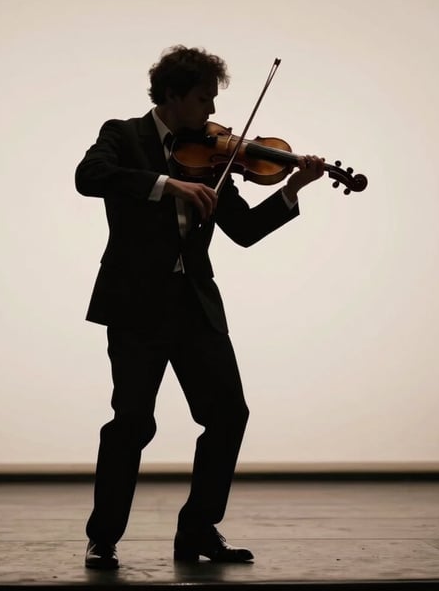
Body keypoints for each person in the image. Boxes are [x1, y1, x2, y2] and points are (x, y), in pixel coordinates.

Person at [75, 45, 325, 569]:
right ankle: (103, 537)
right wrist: (168, 185)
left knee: (229, 414)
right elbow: (88, 177)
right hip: (136, 306)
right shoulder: (123, 135)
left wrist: (293, 188)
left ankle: (198, 530)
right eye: (204, 99)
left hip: (194, 306)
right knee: (132, 422)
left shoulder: (214, 157)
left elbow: (245, 230)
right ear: (172, 95)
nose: (212, 111)